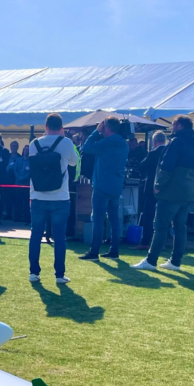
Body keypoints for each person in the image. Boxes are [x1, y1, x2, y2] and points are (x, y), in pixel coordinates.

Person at [132, 114, 194, 271]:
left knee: (161, 226)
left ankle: (151, 260)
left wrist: (158, 184)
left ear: (180, 126)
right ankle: (175, 261)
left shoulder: (176, 143)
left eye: (174, 124)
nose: (172, 127)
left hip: (171, 192)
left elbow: (167, 165)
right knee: (180, 227)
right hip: (188, 193)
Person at [27, 113, 78, 283]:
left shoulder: (34, 144)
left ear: (46, 126)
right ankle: (59, 275)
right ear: (62, 127)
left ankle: (34, 272)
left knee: (35, 235)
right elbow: (73, 162)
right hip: (60, 197)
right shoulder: (66, 143)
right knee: (59, 237)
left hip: (38, 196)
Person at [79, 116, 129, 260]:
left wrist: (96, 132)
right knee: (114, 219)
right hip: (116, 185)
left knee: (98, 219)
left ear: (106, 127)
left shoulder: (107, 143)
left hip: (102, 185)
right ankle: (114, 250)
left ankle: (94, 251)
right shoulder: (123, 143)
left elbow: (86, 148)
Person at [132, 131, 167, 249]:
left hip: (151, 187)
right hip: (166, 188)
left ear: (154, 141)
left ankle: (145, 241)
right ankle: (162, 242)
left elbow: (142, 166)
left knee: (148, 215)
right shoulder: (169, 151)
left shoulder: (153, 153)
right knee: (163, 216)